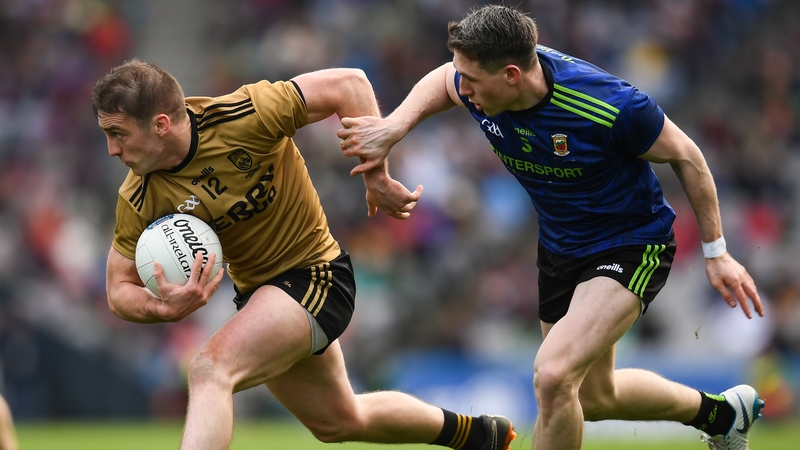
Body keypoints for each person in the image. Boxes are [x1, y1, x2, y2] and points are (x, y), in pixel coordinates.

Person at [336, 5, 766, 450]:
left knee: (554, 376)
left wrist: (717, 252)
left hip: (631, 244)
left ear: (511, 75)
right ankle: (722, 414)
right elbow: (442, 81)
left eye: (472, 80)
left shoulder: (611, 106)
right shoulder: (478, 84)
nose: (463, 89)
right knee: (593, 396)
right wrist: (394, 127)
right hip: (562, 247)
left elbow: (688, 156)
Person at [92, 59, 516, 450]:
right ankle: (477, 435)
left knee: (209, 369)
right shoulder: (139, 194)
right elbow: (118, 288)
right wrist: (161, 309)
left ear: (161, 124)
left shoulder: (245, 114)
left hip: (317, 276)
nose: (112, 150)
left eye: (118, 134)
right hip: (262, 299)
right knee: (340, 421)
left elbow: (349, 84)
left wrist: (376, 173)